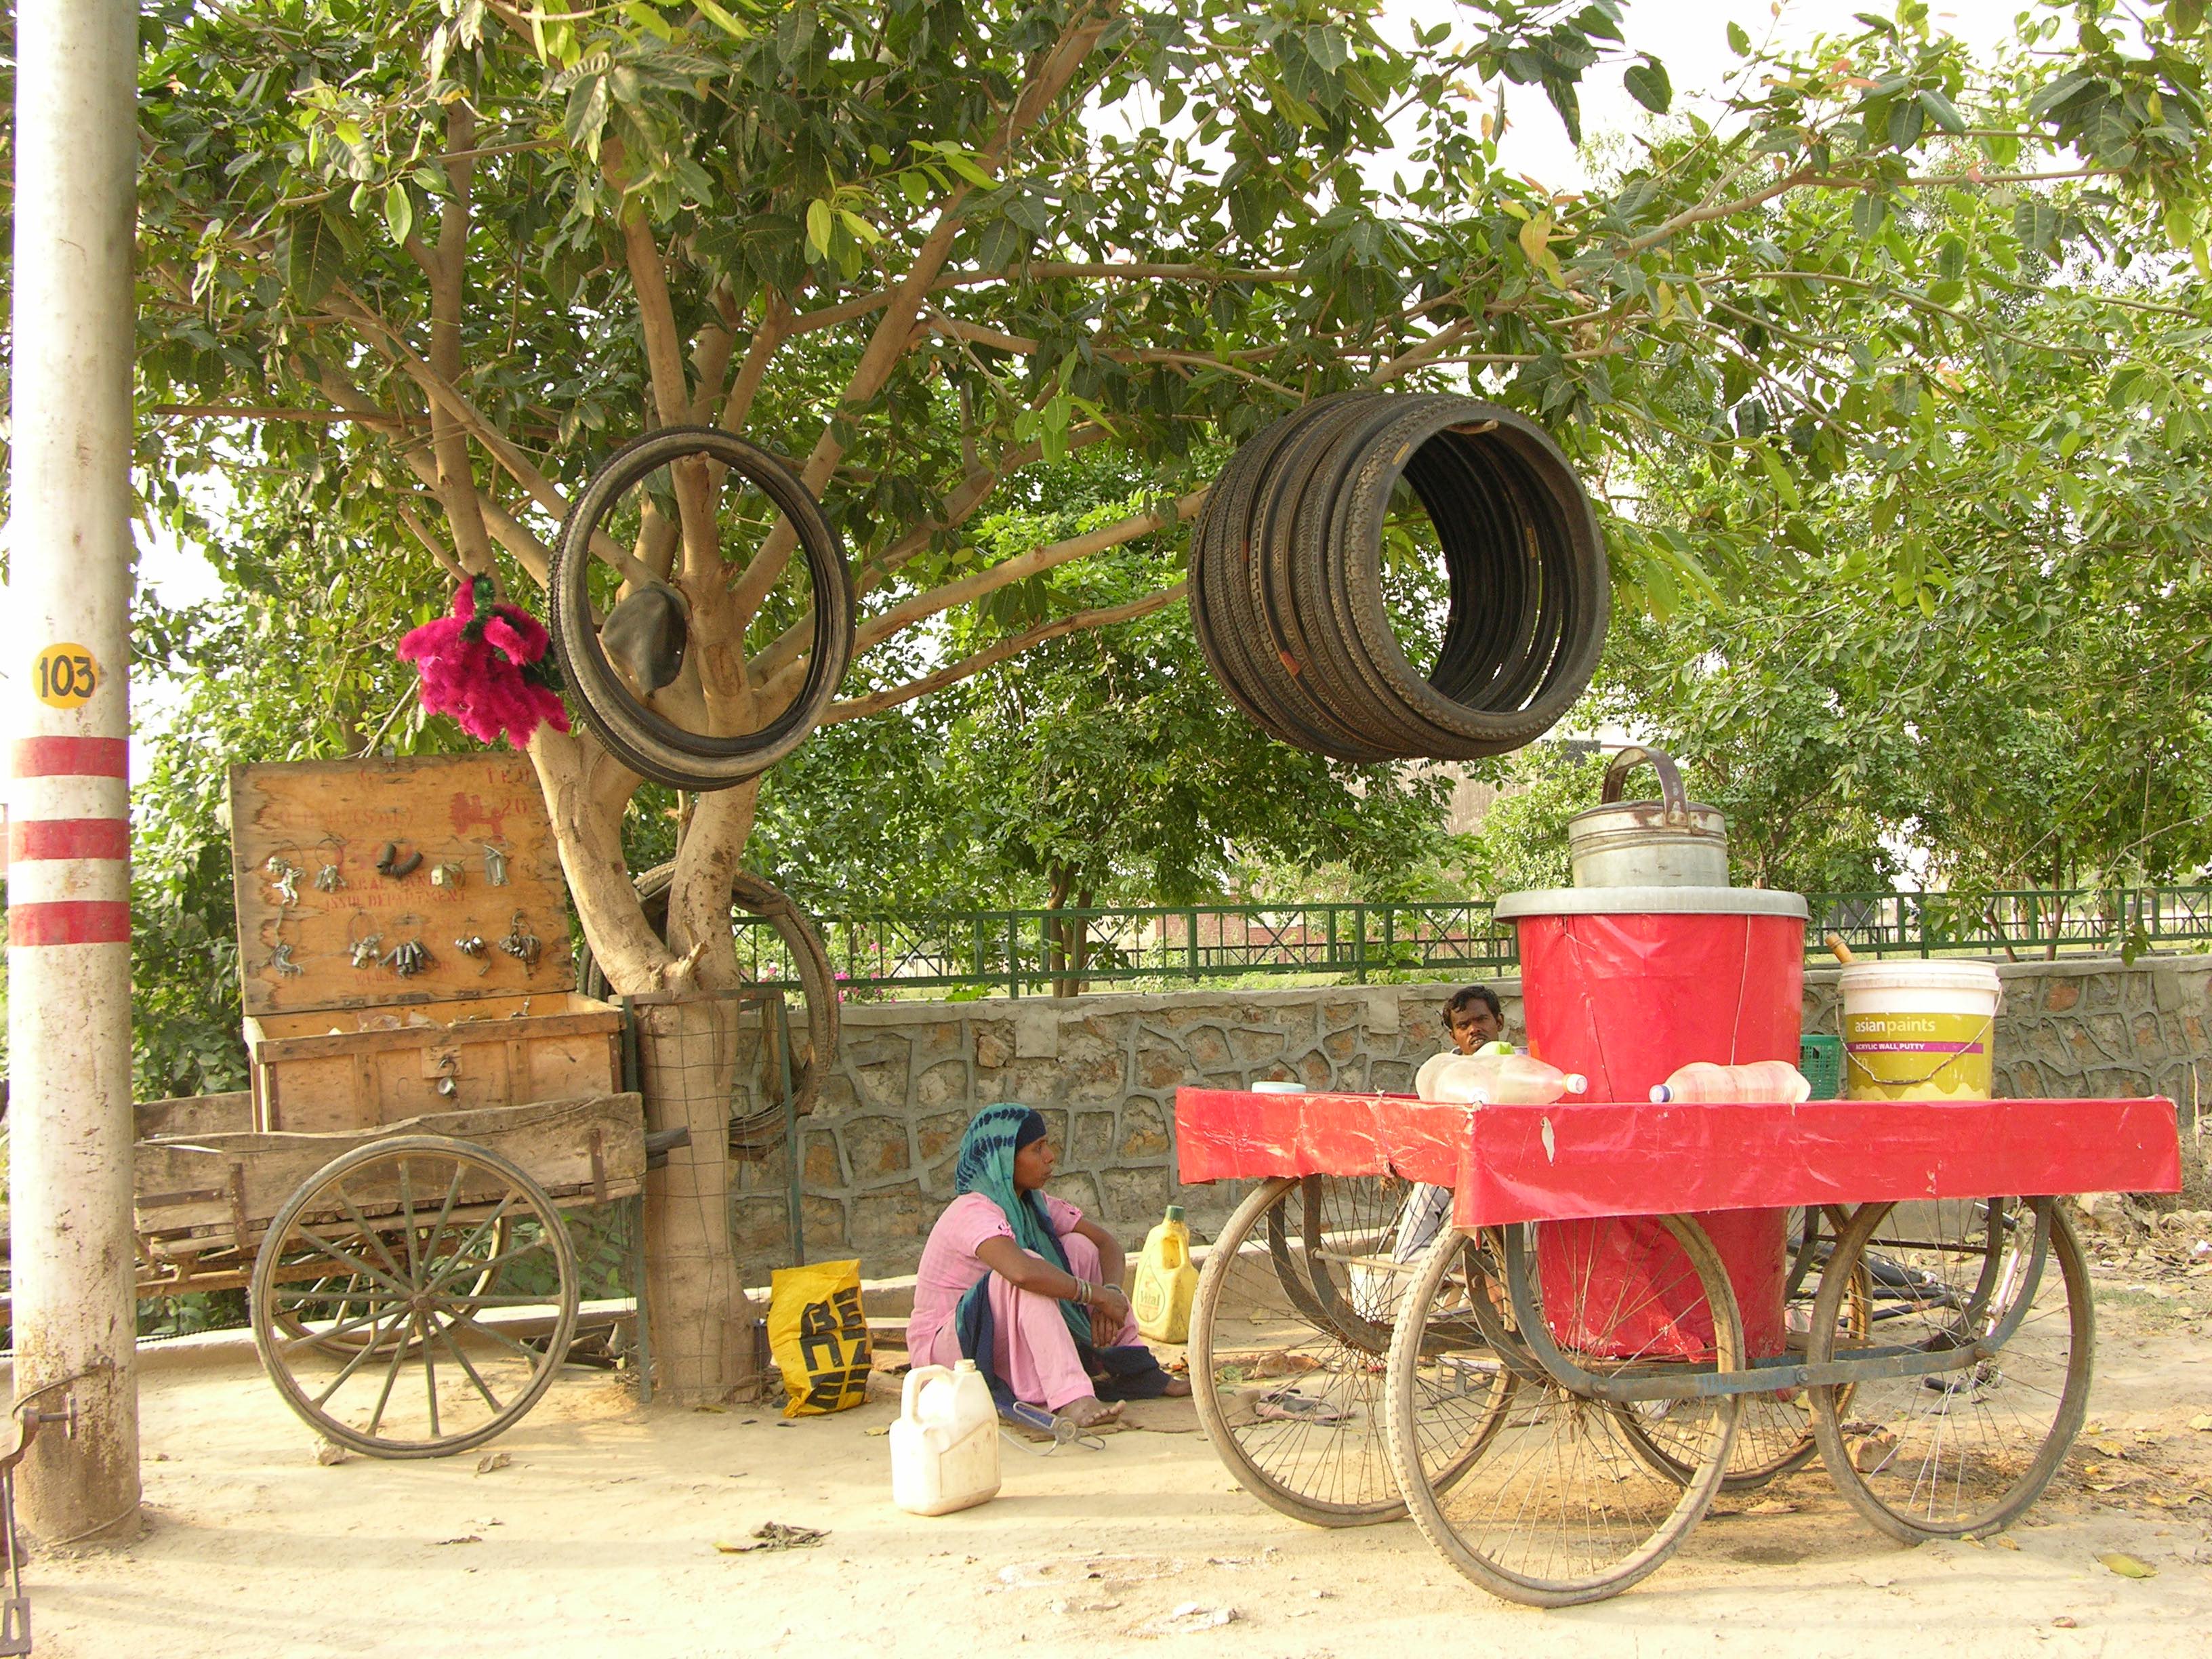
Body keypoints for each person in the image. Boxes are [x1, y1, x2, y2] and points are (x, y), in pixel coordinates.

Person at [905, 1104, 1191, 1429]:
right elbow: (1023, 1273)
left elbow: (1106, 1245)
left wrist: (1109, 1294)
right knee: (1029, 1270)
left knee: (1078, 1247)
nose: (1050, 1156)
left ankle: (1136, 1369)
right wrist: (1094, 1296)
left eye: (1046, 1145)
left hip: (995, 1338)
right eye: (1036, 1148)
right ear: (1003, 1159)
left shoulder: (1032, 1205)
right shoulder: (972, 1211)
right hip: (949, 1351)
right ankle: (1071, 1397)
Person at [1443, 983, 1505, 1054]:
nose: (1474, 1030)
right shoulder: (1443, 1065)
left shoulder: (1519, 1062)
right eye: (1464, 1026)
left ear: (1499, 1022)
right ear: (1453, 1037)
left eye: (1481, 1020)